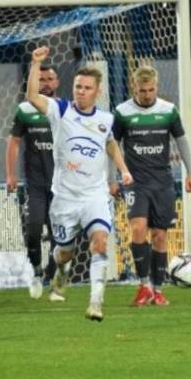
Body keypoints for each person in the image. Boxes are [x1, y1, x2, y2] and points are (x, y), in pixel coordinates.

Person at [26, 46, 133, 322]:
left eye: (87, 88)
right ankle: (62, 271)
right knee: (64, 253)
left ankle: (96, 302)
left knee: (100, 243)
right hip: (65, 199)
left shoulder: (105, 119)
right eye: (77, 86)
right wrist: (36, 64)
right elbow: (32, 97)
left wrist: (123, 170)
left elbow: (110, 143)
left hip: (94, 196)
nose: (81, 91)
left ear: (97, 91)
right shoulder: (60, 110)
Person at [111, 66, 191, 307]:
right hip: (135, 182)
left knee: (160, 236)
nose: (147, 95)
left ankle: (158, 290)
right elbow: (112, 145)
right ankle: (144, 285)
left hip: (162, 182)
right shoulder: (122, 112)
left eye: (151, 90)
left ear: (156, 87)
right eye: (142, 91)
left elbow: (182, 141)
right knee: (138, 229)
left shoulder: (168, 111)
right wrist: (112, 178)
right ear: (134, 88)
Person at [6, 64, 59, 300]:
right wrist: (11, 174)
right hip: (35, 185)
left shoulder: (65, 109)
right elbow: (14, 142)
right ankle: (37, 272)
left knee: (61, 236)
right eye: (41, 79)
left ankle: (54, 279)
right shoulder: (25, 110)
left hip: (61, 186)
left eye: (49, 79)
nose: (46, 83)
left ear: (56, 82)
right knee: (33, 231)